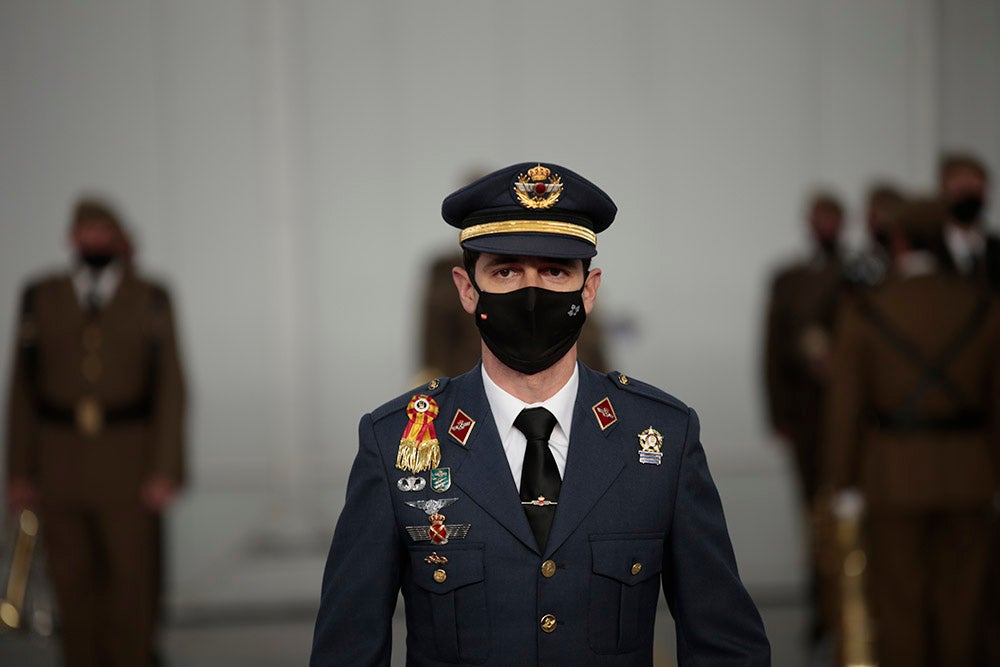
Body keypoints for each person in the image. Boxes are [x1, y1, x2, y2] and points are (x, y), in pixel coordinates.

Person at [311, 162, 770, 666]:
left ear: (589, 289)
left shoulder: (662, 439)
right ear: (468, 289)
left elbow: (725, 646)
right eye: (505, 271)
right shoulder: (396, 444)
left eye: (555, 271)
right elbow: (347, 650)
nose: (532, 294)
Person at [4, 197, 186, 667]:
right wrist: (19, 470)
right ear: (71, 238)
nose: (92, 243)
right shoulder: (41, 296)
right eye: (84, 233)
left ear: (118, 238)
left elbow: (171, 387)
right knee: (71, 584)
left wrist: (165, 468)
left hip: (129, 461)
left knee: (133, 585)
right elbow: (23, 390)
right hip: (59, 461)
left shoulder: (148, 298)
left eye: (102, 232)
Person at [823, 197, 1000, 667]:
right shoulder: (983, 307)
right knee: (965, 606)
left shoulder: (869, 309)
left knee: (899, 604)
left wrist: (844, 484)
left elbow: (846, 408)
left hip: (892, 474)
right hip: (971, 474)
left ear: (898, 242)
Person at [761, 191, 846, 650]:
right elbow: (773, 350)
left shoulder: (860, 275)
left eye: (832, 218)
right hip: (808, 420)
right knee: (814, 516)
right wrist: (778, 414)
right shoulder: (789, 279)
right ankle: (822, 605)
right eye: (819, 218)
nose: (826, 227)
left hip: (858, 422)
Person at [940, 153, 999, 289]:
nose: (967, 199)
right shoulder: (930, 247)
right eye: (961, 191)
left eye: (974, 190)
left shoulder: (995, 248)